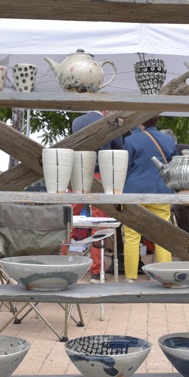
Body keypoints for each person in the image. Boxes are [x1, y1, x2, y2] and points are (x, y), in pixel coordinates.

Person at [71, 110, 125, 282]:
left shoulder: (77, 122)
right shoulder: (110, 122)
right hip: (101, 174)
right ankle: (96, 272)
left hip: (78, 174)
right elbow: (118, 149)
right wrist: (119, 128)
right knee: (98, 224)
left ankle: (60, 262)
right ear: (106, 109)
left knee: (67, 220)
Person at [121, 116, 176, 281]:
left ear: (140, 121)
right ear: (157, 121)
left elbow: (126, 168)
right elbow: (172, 169)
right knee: (162, 235)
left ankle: (130, 277)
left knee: (132, 236)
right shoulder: (168, 140)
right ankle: (165, 276)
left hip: (134, 192)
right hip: (161, 192)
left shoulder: (131, 140)